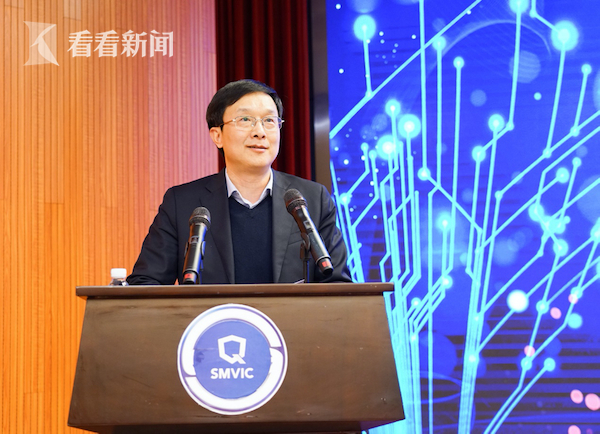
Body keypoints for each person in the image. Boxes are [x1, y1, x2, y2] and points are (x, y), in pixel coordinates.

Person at [127, 79, 352, 285]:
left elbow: (339, 287)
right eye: (245, 120)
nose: (260, 132)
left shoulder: (312, 199)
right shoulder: (182, 203)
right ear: (217, 135)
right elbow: (145, 284)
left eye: (269, 121)